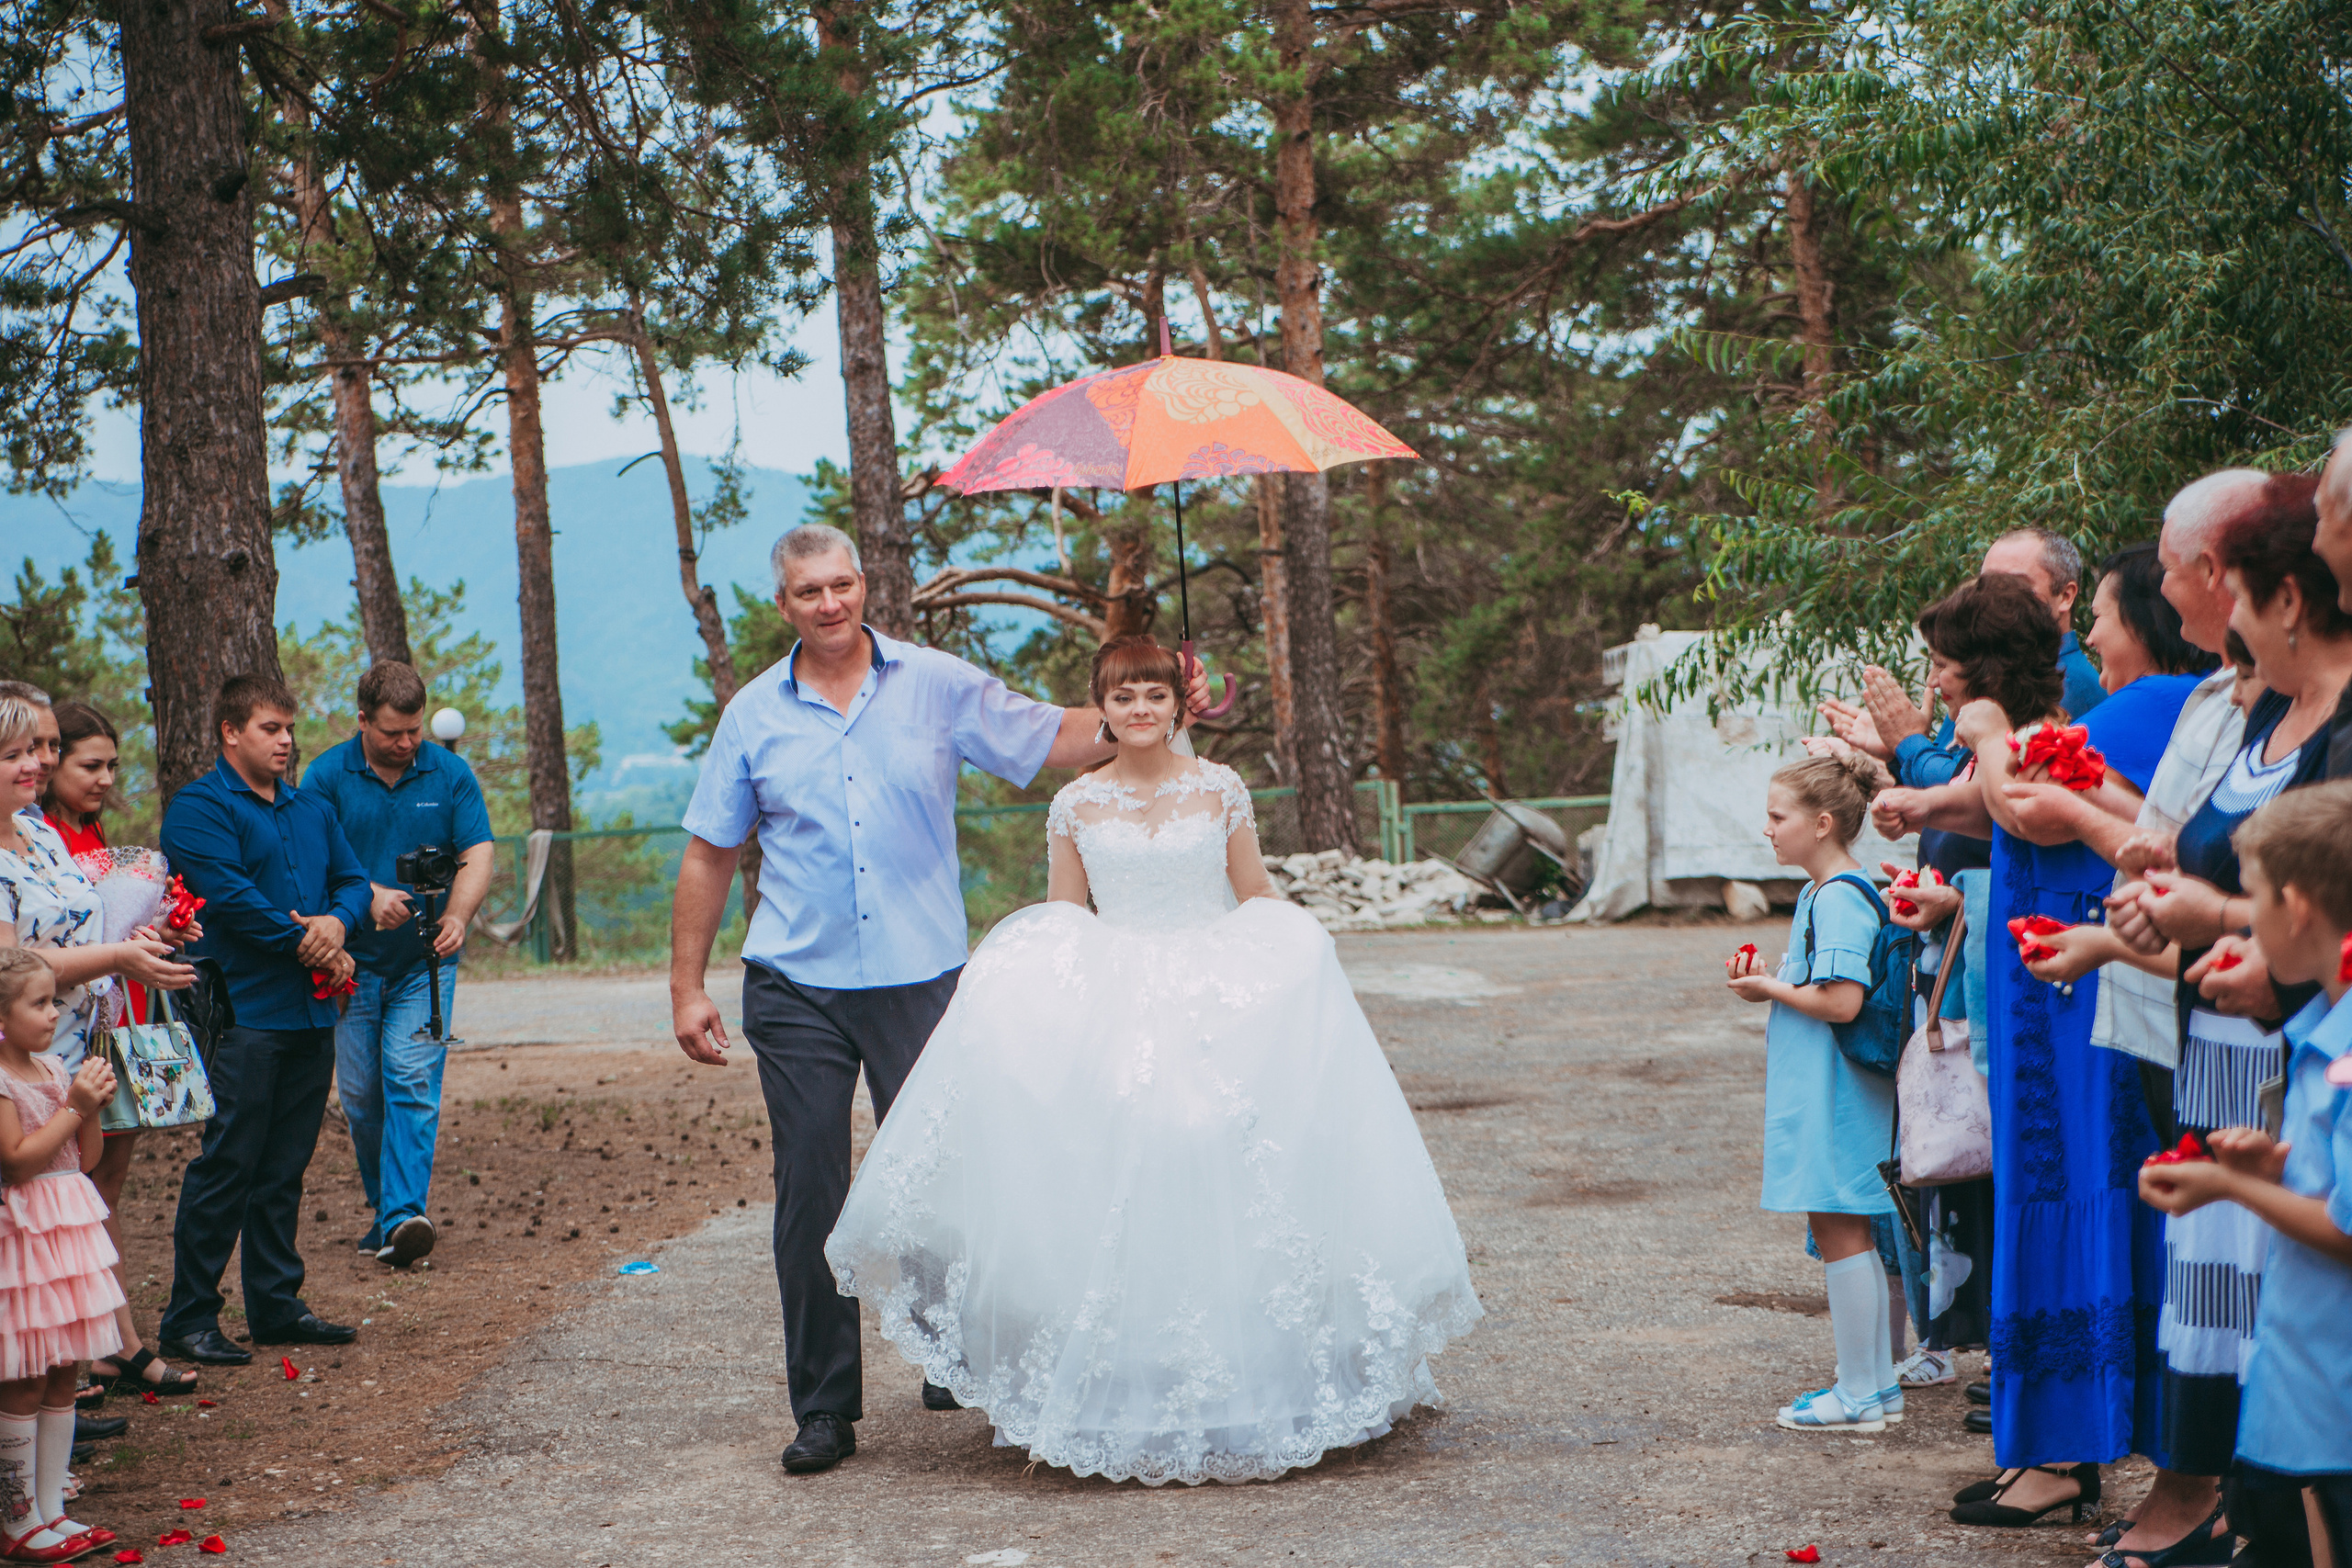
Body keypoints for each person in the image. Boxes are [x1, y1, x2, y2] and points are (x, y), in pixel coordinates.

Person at [824, 635, 1482, 1484]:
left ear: (1180, 704)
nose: (1140, 710)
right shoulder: (1074, 804)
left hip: (1214, 991)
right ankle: (1123, 1382)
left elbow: (1257, 896)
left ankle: (1258, 1376)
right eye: (1124, 697)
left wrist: (1290, 965)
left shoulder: (1220, 789)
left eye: (1155, 696)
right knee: (1126, 1166)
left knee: (1222, 1157)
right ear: (1102, 707)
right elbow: (1065, 920)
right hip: (1119, 990)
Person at [669, 525, 1211, 1477]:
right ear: (784, 603)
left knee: (944, 1173)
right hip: (797, 982)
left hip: (921, 976)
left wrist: (1161, 701)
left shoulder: (937, 683)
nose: (829, 604)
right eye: (808, 593)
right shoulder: (753, 715)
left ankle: (946, 1353)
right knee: (812, 1188)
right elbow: (711, 851)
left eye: (842, 586)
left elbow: (1054, 736)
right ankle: (827, 1407)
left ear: (865, 584)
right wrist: (686, 987)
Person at [1885, 571, 2199, 1530]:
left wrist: (1978, 736)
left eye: (1944, 667)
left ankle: (2070, 1448)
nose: (1935, 685)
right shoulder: (2043, 735)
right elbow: (2000, 811)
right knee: (2035, 1188)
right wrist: (1924, 803)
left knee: (2071, 1187)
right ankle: (2049, 1445)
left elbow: (2030, 809)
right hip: (2035, 978)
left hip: (2076, 977)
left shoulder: (2091, 724)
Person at [2088, 475, 2352, 1566]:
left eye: (2234, 596)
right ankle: (2243, 1507)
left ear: (2281, 600)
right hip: (2239, 1044)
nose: (2223, 624)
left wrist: (2221, 925)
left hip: (2294, 1042)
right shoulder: (2261, 705)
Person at [2139, 781, 2352, 1568]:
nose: (2244, 920)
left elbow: (2347, 1227)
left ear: (2296, 910)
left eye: (2251, 899)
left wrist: (2233, 1188)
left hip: (2329, 1415)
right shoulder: (2322, 1029)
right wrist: (2279, 1167)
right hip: (2299, 1404)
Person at [157, 675, 368, 1366]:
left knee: (284, 1168)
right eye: (269, 728)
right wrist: (310, 941)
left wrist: (337, 922)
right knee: (228, 1165)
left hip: (310, 1015)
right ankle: (188, 1317)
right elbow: (231, 896)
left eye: (287, 729)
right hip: (243, 1014)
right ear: (230, 731)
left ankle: (275, 1305)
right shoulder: (199, 808)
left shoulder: (310, 809)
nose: (284, 741)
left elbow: (355, 880)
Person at [1723, 753, 1901, 1432]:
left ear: (1822, 823)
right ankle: (1874, 1384)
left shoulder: (1836, 896)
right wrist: (1773, 976)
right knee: (1845, 1227)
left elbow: (1843, 1001)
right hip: (1832, 1089)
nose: (1768, 829)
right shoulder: (1826, 893)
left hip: (1838, 1092)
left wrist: (1767, 987)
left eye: (1778, 816)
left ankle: (1859, 1391)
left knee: (1841, 1230)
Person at [300, 661, 494, 1269]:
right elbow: (307, 861)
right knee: (361, 1096)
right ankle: (389, 1213)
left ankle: (403, 1214)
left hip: (424, 965)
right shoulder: (326, 777)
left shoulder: (450, 772)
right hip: (350, 964)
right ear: (363, 721)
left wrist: (458, 915)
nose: (407, 743)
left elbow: (478, 850)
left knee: (410, 1077)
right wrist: (367, 894)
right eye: (393, 732)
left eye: (414, 730)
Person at [37, 700, 205, 1397]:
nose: (104, 777)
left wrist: (165, 927)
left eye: (112, 764)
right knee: (72, 1188)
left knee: (106, 1187)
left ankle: (113, 1339)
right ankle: (87, 1347)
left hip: (119, 1017)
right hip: (68, 1026)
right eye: (89, 764)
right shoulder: (42, 839)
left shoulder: (92, 831)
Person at [0, 947, 124, 1562]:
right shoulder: (0, 1080)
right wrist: (75, 1105)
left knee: (64, 1372)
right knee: (23, 1378)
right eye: (40, 1002)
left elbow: (87, 1159)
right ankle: (15, 1515)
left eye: (56, 1000)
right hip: (24, 1238)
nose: (54, 1013)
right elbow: (18, 1160)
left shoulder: (52, 1068)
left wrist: (90, 1107)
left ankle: (52, 1508)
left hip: (68, 1234)